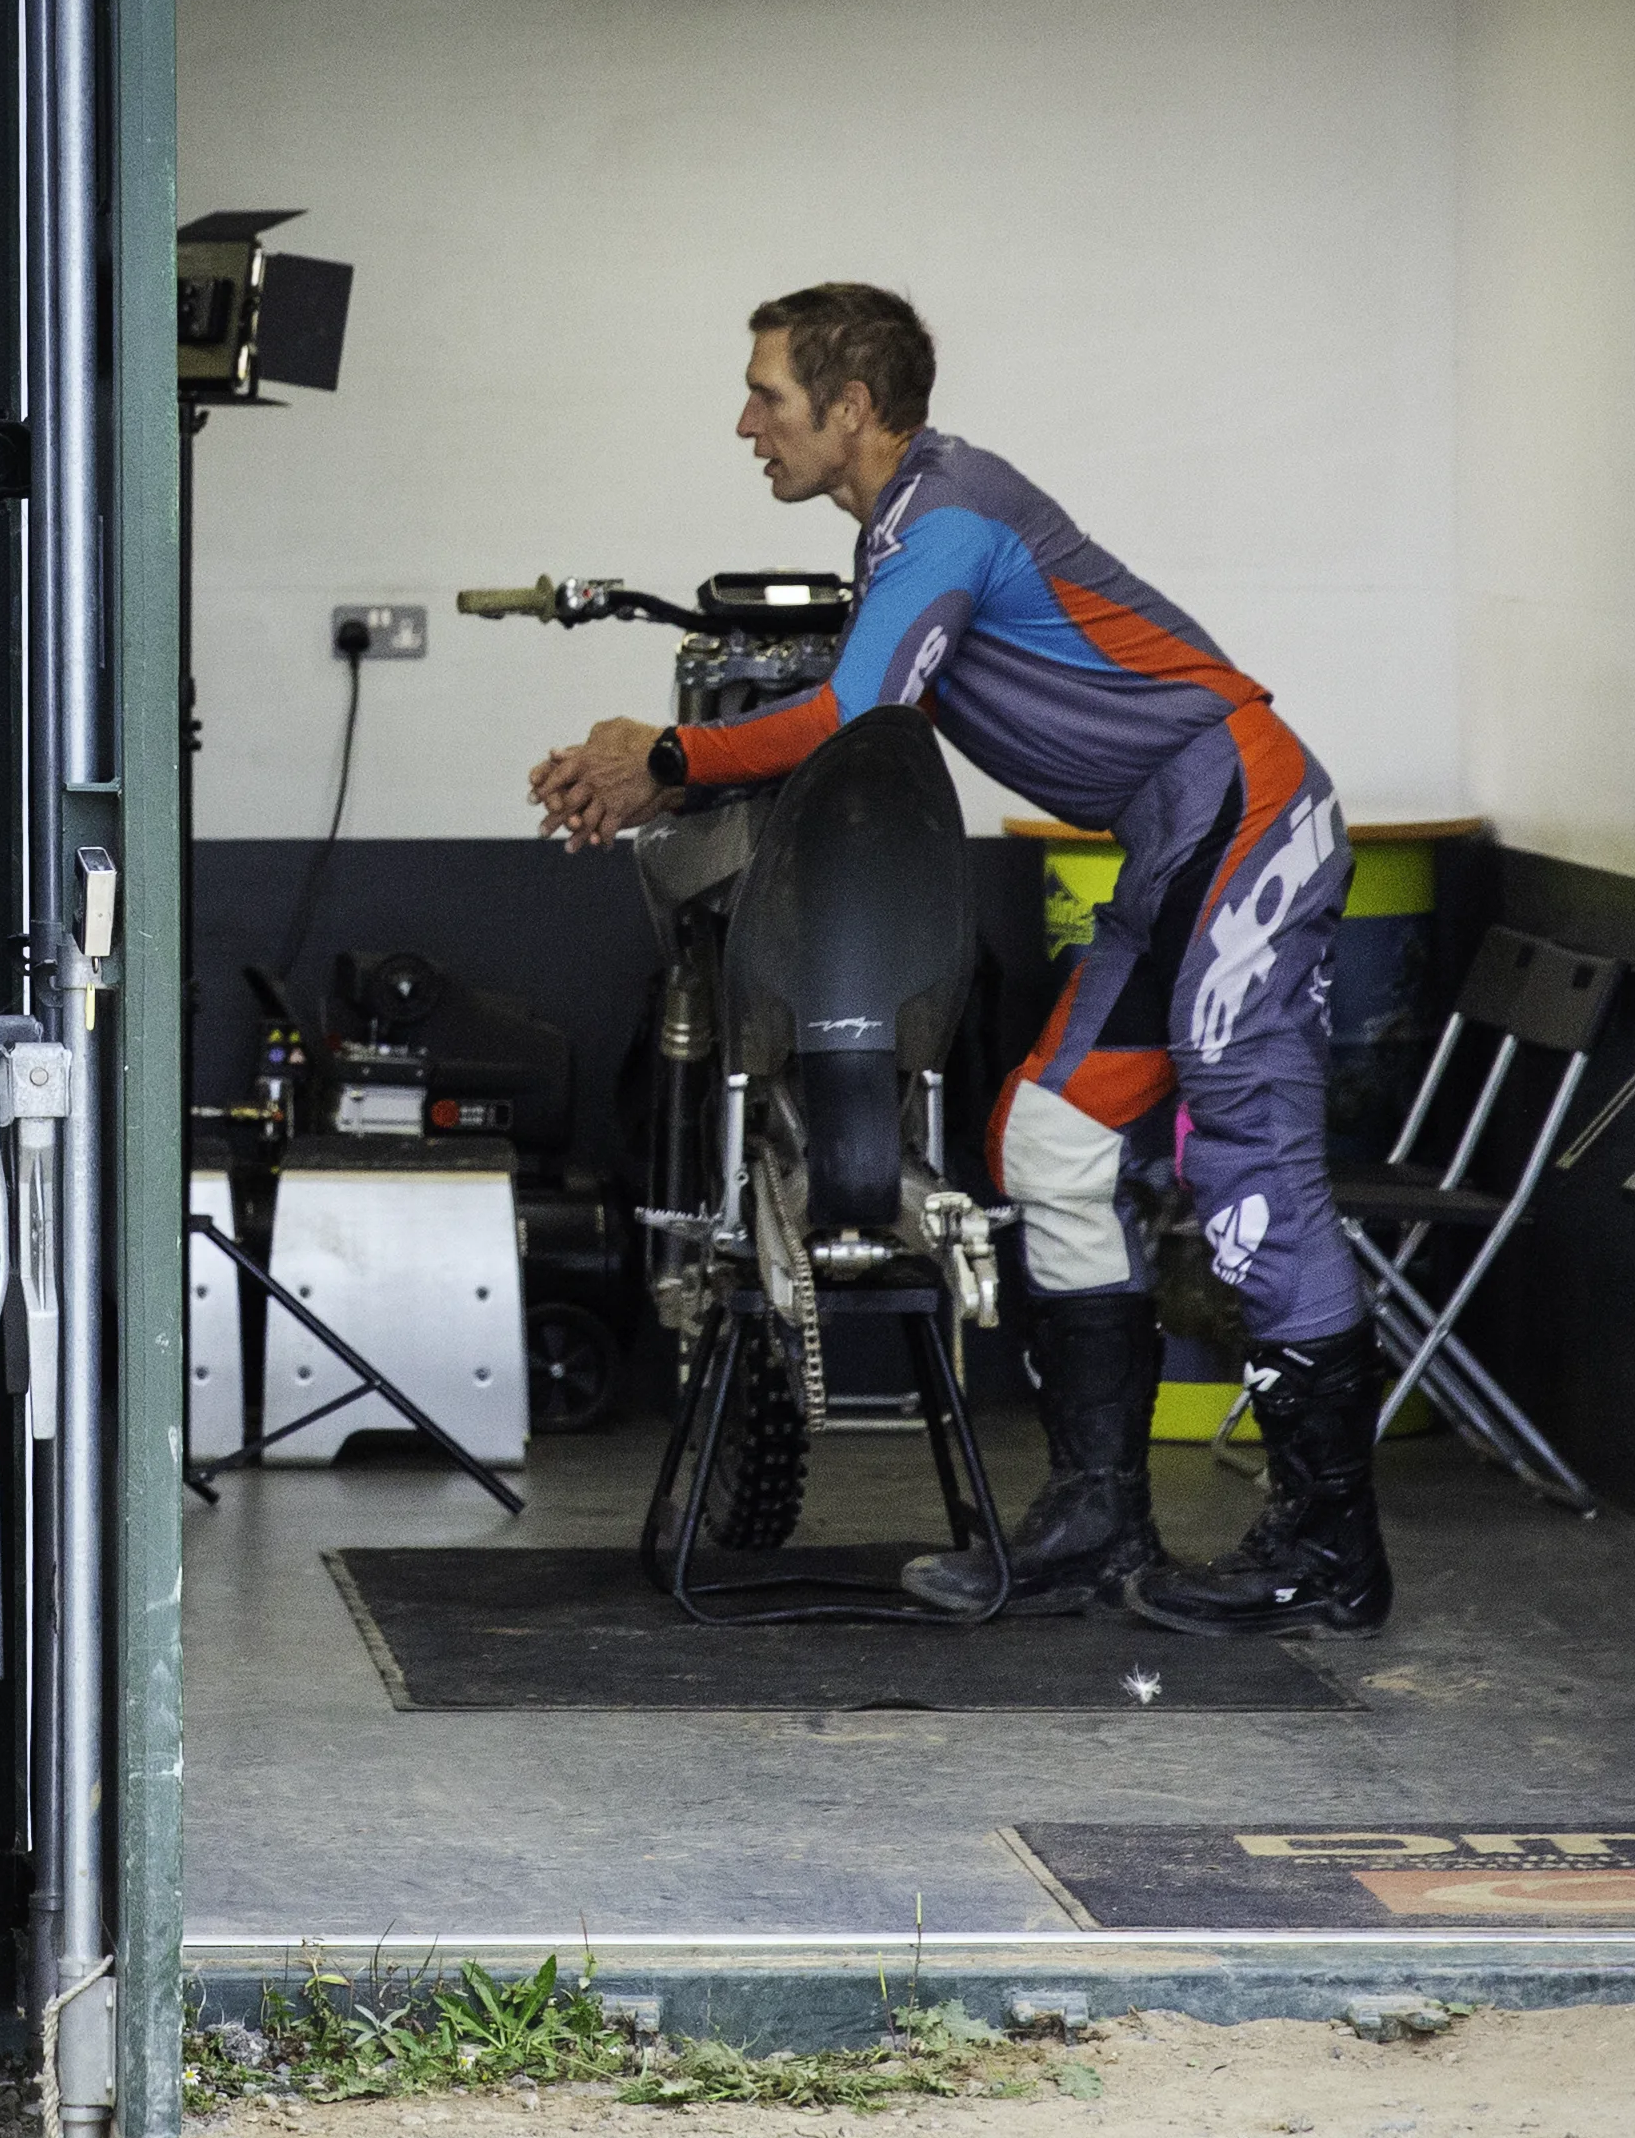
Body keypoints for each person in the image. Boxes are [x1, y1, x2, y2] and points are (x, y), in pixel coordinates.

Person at [529, 282, 1390, 1638]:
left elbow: (858, 713)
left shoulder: (949, 521)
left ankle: (1332, 1560)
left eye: (768, 394)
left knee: (1253, 1177)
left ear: (850, 407)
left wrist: (671, 758)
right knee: (1048, 1139)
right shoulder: (906, 528)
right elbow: (844, 702)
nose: (744, 421)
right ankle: (1098, 1517)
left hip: (1243, 810)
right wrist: (655, 773)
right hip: (1173, 837)